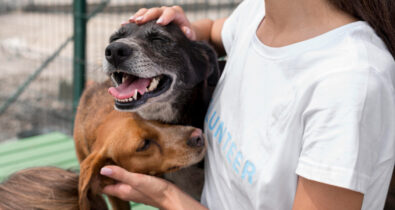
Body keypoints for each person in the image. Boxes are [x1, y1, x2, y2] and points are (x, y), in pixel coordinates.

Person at [99, 0, 395, 209]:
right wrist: (180, 31)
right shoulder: (258, 13)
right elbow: (216, 29)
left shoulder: (350, 81)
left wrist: (166, 197)